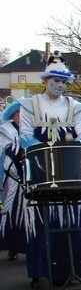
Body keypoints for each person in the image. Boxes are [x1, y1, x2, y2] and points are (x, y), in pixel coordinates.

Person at [17, 52, 81, 287]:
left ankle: (72, 271)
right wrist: (45, 150)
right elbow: (25, 136)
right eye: (56, 81)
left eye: (63, 82)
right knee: (43, 221)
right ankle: (42, 274)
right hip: (41, 170)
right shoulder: (30, 105)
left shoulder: (74, 106)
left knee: (73, 218)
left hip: (69, 170)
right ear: (45, 80)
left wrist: (77, 142)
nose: (60, 85)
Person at [0, 101, 26, 260]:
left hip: (27, 178)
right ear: (13, 115)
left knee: (26, 212)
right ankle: (9, 244)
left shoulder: (29, 131)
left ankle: (23, 245)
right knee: (9, 209)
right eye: (18, 114)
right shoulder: (5, 131)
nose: (20, 117)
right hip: (11, 178)